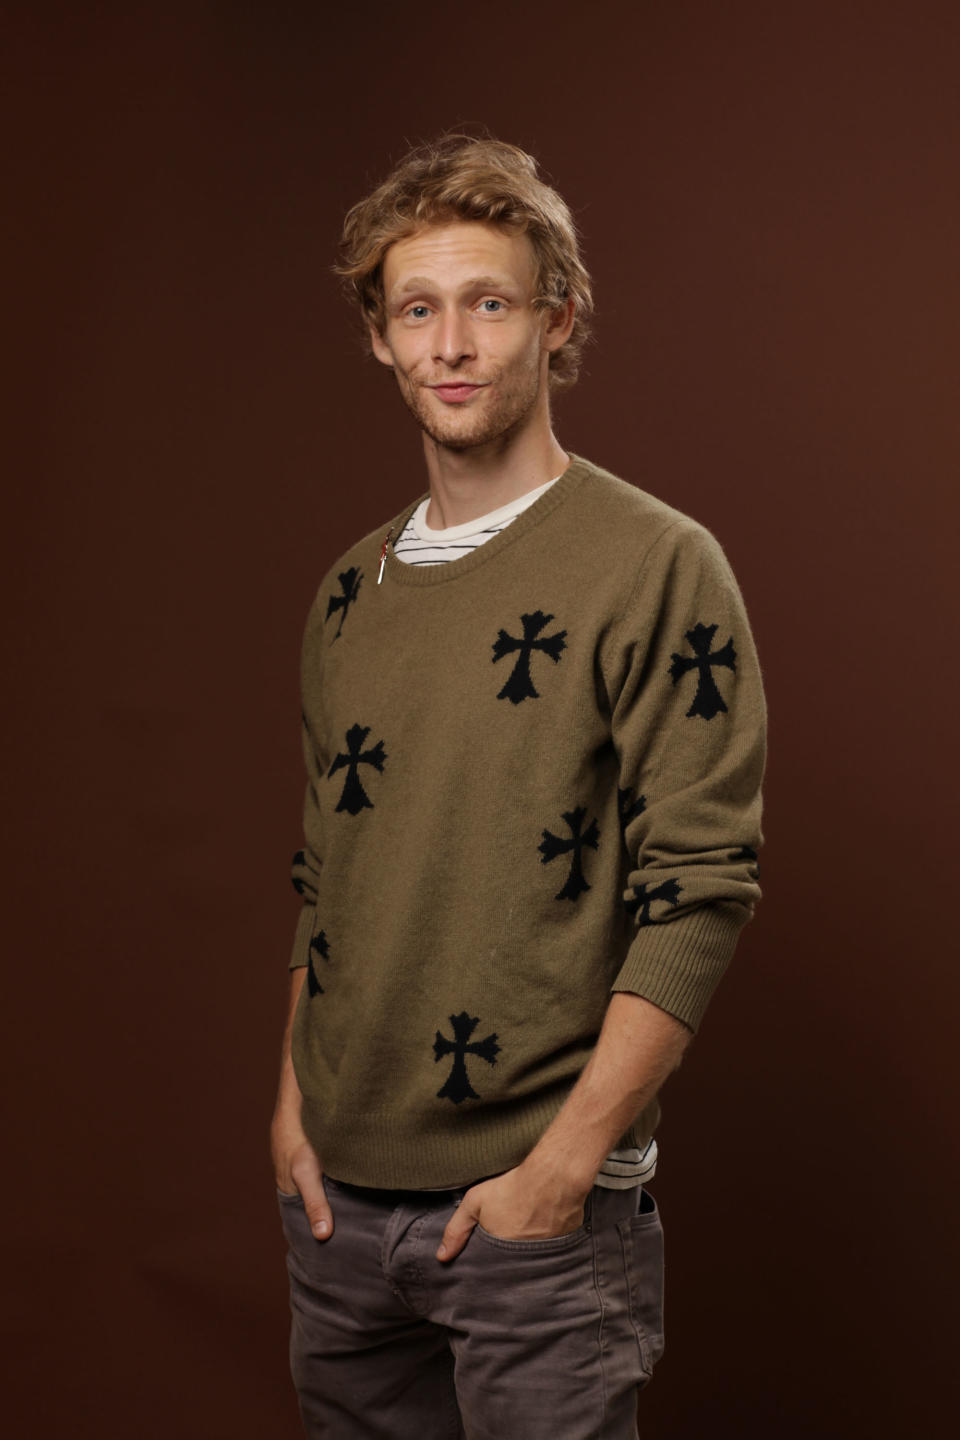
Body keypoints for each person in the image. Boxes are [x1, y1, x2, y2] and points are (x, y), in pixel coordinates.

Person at [270, 132, 766, 1440]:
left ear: (557, 320)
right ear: (378, 336)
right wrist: (291, 1111)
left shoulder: (655, 565)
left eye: (488, 304)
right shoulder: (345, 595)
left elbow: (701, 888)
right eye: (416, 309)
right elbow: (327, 875)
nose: (451, 343)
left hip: (536, 1228)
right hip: (336, 1223)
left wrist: (564, 1168)